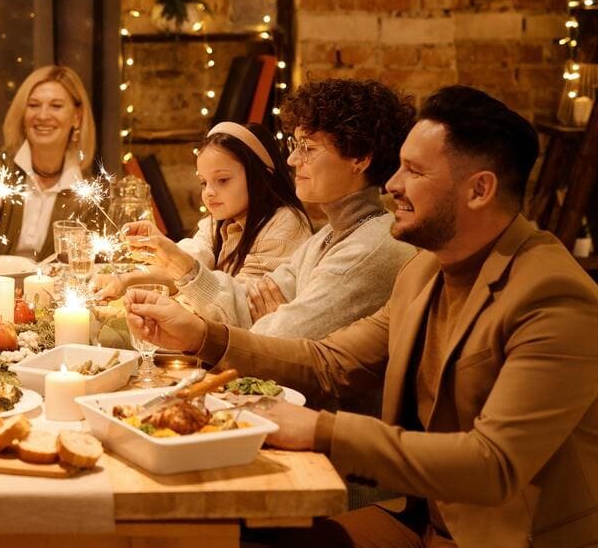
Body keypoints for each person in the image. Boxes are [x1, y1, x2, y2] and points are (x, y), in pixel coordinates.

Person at [123, 85, 598, 548]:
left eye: (414, 171)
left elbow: (493, 465)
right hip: (417, 518)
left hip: (495, 536)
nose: (392, 185)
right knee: (230, 530)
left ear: (479, 189)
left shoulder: (553, 296)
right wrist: (200, 335)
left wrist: (319, 430)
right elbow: (330, 361)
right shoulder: (426, 270)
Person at [131, 79, 418, 338]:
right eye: (295, 145)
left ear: (359, 157)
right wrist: (181, 265)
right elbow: (245, 306)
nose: (292, 160)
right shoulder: (330, 234)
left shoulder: (369, 247)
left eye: (307, 148)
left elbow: (277, 340)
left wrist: (254, 318)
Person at [91, 121, 310, 301]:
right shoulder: (217, 222)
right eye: (204, 182)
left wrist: (171, 257)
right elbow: (191, 262)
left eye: (222, 180)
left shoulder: (285, 224)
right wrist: (124, 280)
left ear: (260, 176)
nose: (209, 193)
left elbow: (242, 304)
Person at [0, 65, 99, 260]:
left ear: (77, 116)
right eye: (33, 105)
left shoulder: (88, 196)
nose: (43, 115)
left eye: (56, 106)